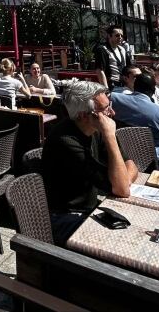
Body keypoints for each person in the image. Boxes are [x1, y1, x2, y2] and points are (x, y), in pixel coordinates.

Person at [42, 80, 139, 245]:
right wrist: (110, 136)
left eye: (110, 105)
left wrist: (124, 180)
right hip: (65, 217)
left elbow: (130, 164)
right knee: (126, 243)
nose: (112, 113)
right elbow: (121, 190)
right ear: (83, 115)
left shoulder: (94, 128)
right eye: (104, 109)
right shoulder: (65, 141)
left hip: (90, 209)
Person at [110, 73, 159, 159]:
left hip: (122, 154)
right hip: (154, 160)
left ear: (134, 87)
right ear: (153, 90)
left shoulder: (114, 98)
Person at [94, 25, 131, 90]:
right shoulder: (102, 49)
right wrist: (106, 90)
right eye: (117, 35)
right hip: (112, 86)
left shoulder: (122, 49)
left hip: (125, 85)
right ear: (109, 36)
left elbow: (129, 66)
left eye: (121, 36)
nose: (120, 38)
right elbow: (100, 70)